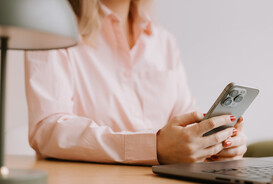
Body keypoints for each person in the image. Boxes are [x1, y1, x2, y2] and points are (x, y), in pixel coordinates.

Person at [24, 0, 248, 165]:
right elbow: (47, 129)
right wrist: (154, 147)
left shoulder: (164, 42)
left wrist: (213, 143)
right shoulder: (53, 29)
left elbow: (186, 123)